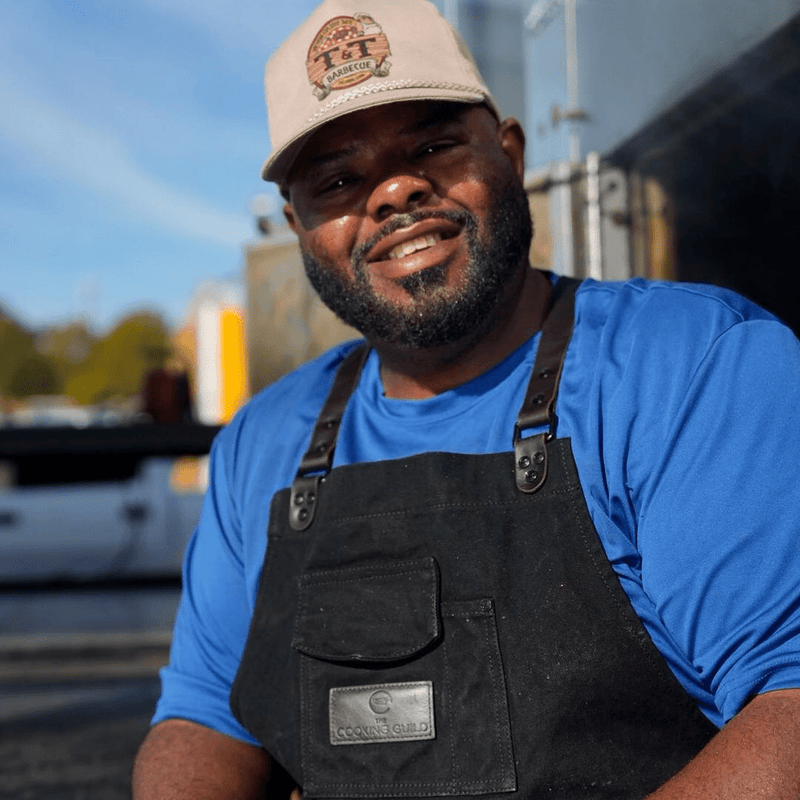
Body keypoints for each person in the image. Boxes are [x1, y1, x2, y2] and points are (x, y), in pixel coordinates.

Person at [133, 1, 800, 797]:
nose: (394, 192)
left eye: (433, 145)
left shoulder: (690, 368)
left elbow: (786, 701)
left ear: (510, 154)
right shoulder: (260, 445)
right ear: (299, 226)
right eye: (339, 179)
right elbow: (202, 723)